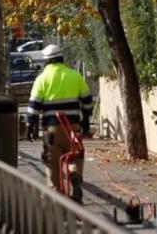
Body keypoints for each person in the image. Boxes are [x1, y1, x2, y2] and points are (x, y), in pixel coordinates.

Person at [27, 44, 93, 203]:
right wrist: (85, 122)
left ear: (46, 61)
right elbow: (87, 101)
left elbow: (34, 105)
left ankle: (57, 199)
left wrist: (31, 125)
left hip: (52, 131)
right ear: (61, 59)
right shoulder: (75, 76)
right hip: (73, 128)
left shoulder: (42, 79)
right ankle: (75, 176)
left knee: (52, 163)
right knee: (75, 156)